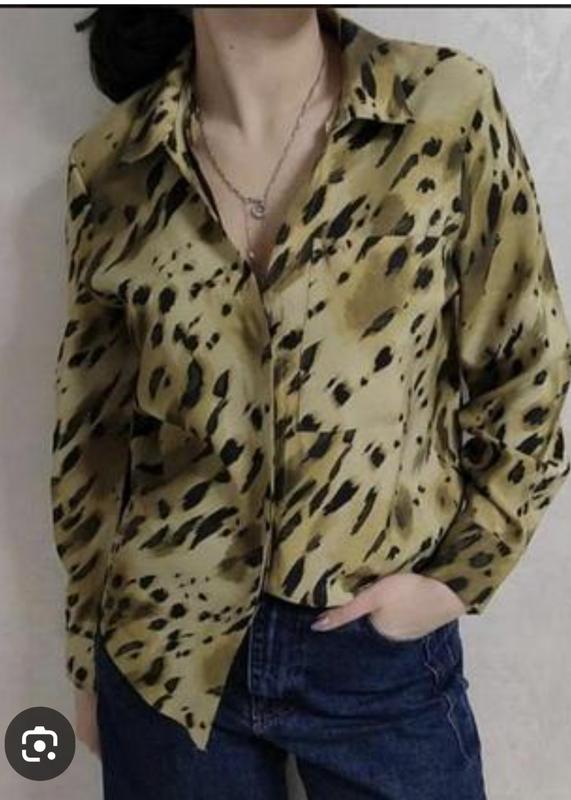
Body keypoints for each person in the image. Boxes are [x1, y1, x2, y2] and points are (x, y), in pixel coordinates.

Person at [50, 6, 571, 799]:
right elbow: (93, 436)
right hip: (164, 651)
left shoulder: (441, 106)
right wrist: (88, 660)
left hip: (376, 655)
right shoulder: (113, 165)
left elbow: (528, 364)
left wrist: (453, 578)